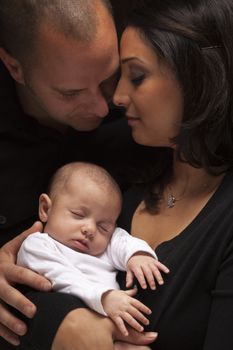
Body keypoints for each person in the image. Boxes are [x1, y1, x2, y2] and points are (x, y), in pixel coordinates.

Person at [49, 0, 233, 349]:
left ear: (198, 79)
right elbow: (31, 272)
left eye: (137, 76)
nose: (116, 97)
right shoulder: (110, 160)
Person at [0, 1, 156, 349]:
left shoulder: (137, 109)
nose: (104, 106)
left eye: (108, 77)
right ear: (14, 66)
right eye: (71, 93)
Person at [17, 162, 169, 345]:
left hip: (112, 328)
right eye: (78, 215)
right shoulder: (38, 245)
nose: (89, 229)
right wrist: (103, 297)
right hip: (65, 330)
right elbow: (62, 277)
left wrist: (137, 255)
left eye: (103, 226)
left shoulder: (103, 247)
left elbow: (121, 239)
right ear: (45, 209)